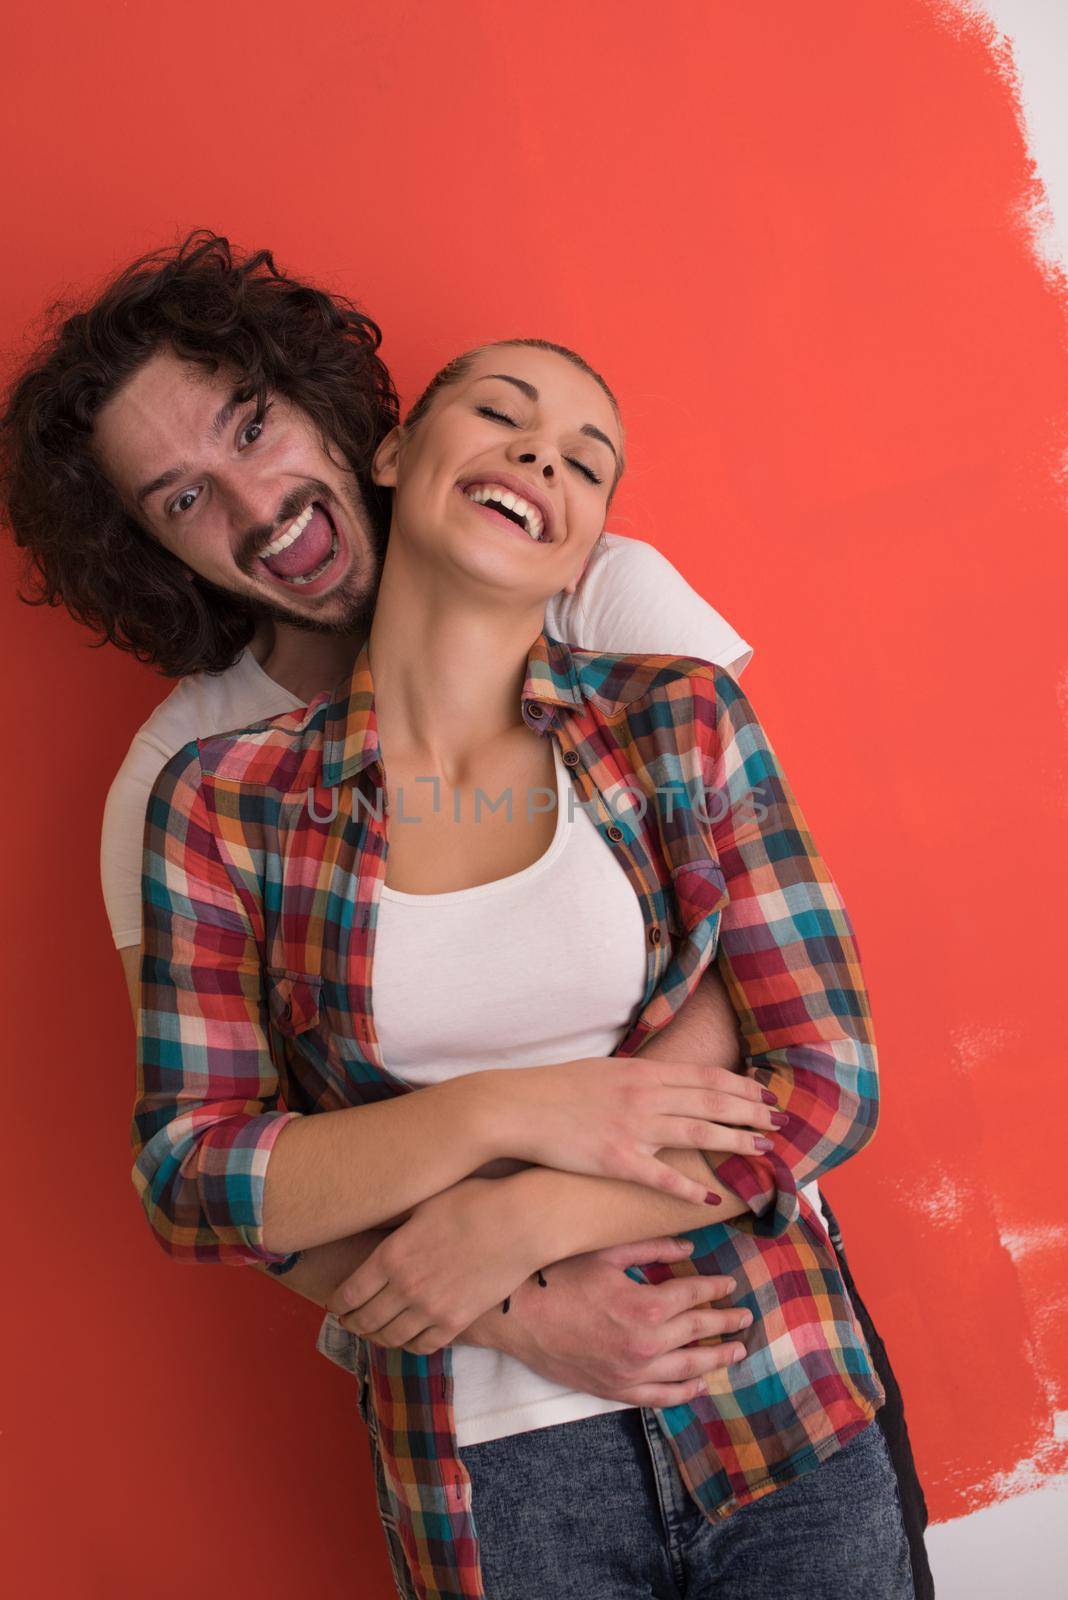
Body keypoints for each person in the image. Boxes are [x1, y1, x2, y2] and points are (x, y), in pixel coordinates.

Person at [0, 234, 931, 1598]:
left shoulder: (610, 608)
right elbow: (218, 1167)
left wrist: (532, 1216)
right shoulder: (192, 785)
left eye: (254, 425)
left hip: (764, 1344)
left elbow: (773, 980)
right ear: (149, 550)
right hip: (485, 1442)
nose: (259, 507)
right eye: (185, 496)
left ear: (342, 417)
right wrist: (515, 1277)